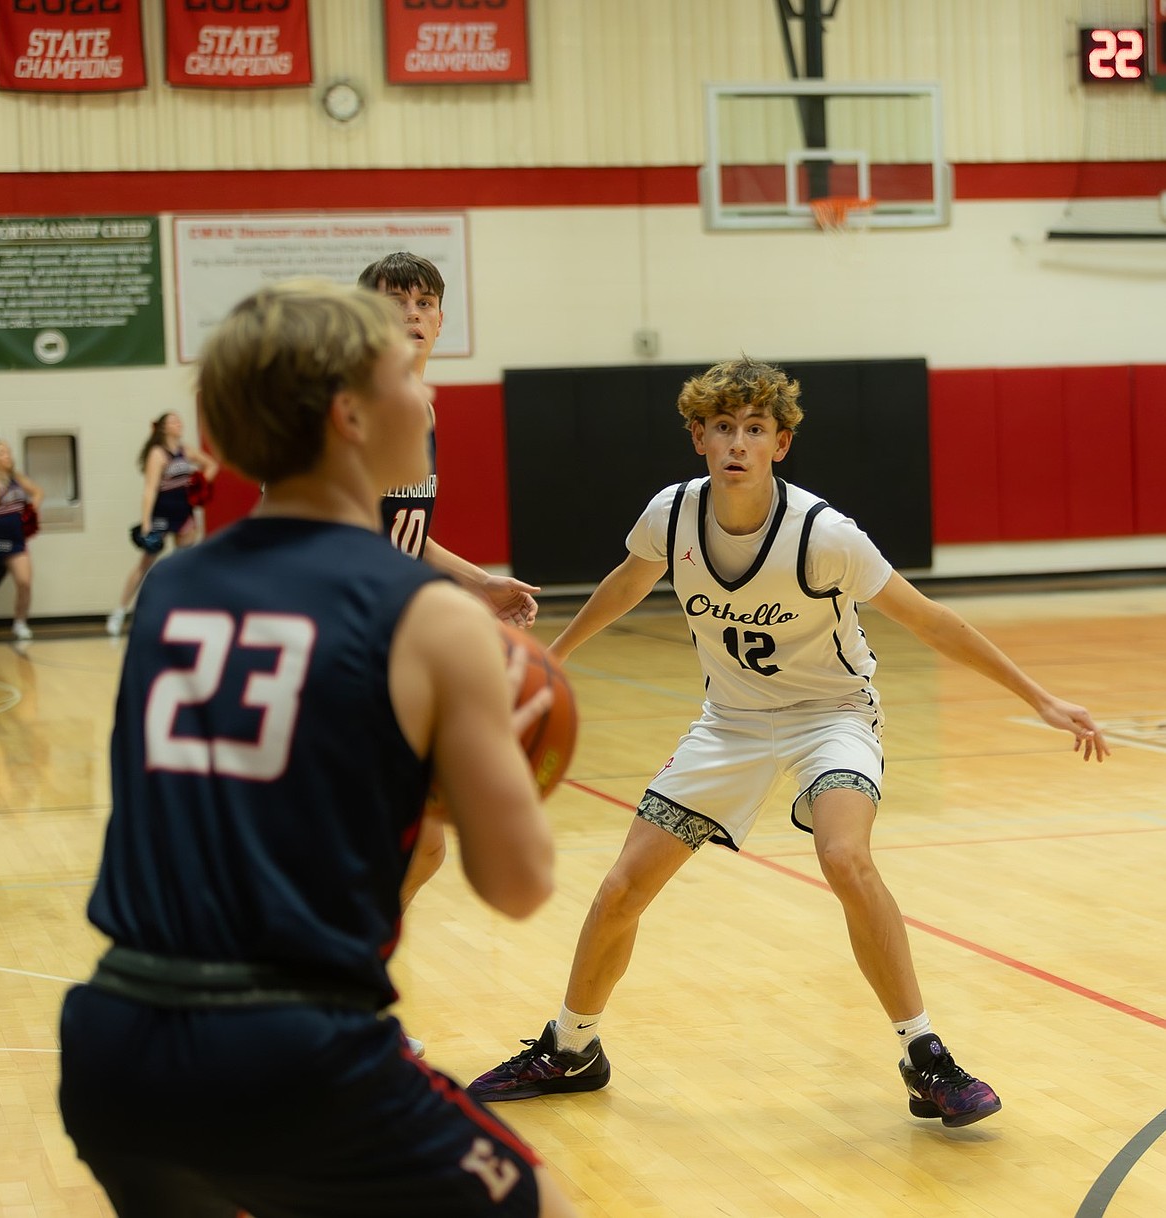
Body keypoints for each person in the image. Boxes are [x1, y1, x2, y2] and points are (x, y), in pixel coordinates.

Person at [467, 355, 1109, 1129]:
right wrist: (552, 661)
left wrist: (1038, 696)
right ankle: (571, 1050)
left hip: (832, 714)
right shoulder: (671, 516)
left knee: (844, 857)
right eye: (724, 428)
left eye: (756, 429)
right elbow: (627, 583)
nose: (739, 442)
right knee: (621, 890)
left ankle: (924, 1054)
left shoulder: (824, 535)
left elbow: (931, 618)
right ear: (698, 436)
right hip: (728, 723)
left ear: (781, 442)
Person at [59, 278, 579, 1218]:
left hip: (114, 1041)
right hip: (287, 1048)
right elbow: (519, 884)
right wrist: (468, 767)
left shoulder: (171, 592)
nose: (423, 395)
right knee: (542, 1200)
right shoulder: (428, 622)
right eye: (400, 375)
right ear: (348, 415)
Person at [357, 252, 539, 978]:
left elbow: (397, 527)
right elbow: (322, 521)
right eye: (396, 300)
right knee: (390, 840)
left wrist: (475, 582)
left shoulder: (415, 401)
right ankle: (332, 990)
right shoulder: (358, 399)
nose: (413, 313)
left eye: (426, 301)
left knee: (420, 843)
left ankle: (345, 983)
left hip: (389, 639)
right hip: (354, 641)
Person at [106, 411, 219, 637]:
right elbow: (149, 490)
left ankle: (183, 614)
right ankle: (119, 613)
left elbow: (212, 465)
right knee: (144, 565)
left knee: (186, 565)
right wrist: (146, 522)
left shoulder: (186, 450)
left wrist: (199, 487)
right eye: (173, 421)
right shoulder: (158, 454)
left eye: (180, 419)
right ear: (164, 428)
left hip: (184, 513)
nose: (179, 423)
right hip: (161, 514)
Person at [0, 438, 44, 642]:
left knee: (24, 582)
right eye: (1, 453)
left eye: (8, 452)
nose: (7, 456)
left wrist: (30, 512)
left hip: (16, 542)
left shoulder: (16, 477)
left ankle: (20, 623)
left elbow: (38, 492)